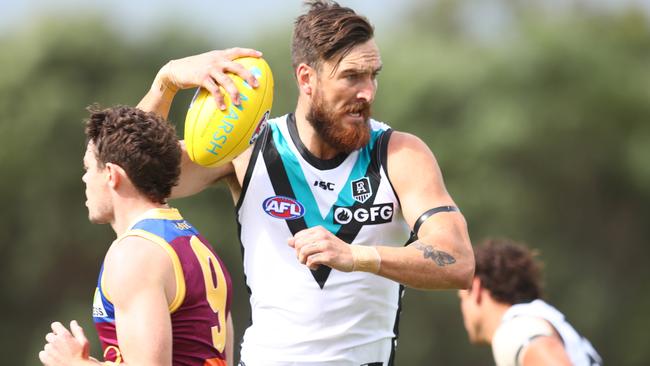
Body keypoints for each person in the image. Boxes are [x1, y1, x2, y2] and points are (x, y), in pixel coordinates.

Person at [137, 1, 475, 365]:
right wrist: (165, 83)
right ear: (306, 79)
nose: (368, 93)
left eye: (373, 75)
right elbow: (133, 177)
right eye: (351, 77)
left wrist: (357, 256)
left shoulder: (398, 154)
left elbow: (458, 261)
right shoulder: (249, 149)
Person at [38, 105, 234, 366]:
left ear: (111, 175)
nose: (84, 179)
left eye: (88, 169)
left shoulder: (135, 253)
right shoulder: (193, 241)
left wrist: (74, 364)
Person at [458, 239, 602, 366]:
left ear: (476, 288)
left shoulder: (514, 330)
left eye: (462, 298)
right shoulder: (536, 319)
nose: (462, 309)